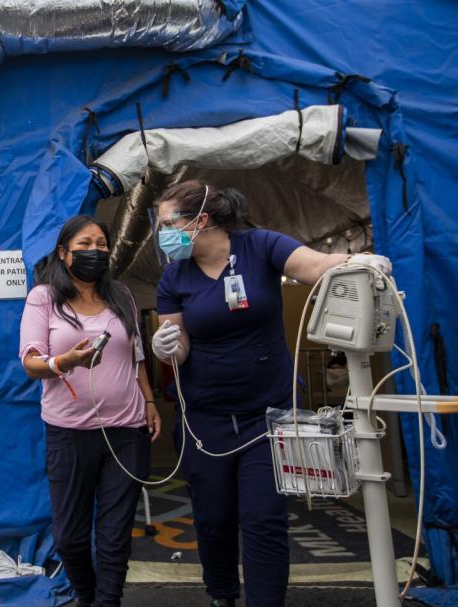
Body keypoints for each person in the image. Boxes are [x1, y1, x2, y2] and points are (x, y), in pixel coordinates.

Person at [149, 180, 392, 607]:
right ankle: (222, 595)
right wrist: (165, 347)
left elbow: (316, 265)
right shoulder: (174, 275)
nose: (161, 233)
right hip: (205, 419)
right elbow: (179, 344)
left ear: (200, 221)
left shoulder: (260, 246)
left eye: (167, 223)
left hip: (267, 414)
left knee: (264, 518)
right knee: (213, 519)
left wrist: (359, 260)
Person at [19, 215, 162, 607]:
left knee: (115, 535)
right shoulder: (44, 298)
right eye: (84, 244)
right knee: (70, 538)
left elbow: (136, 357)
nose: (95, 251)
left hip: (126, 430)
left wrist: (149, 401)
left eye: (101, 244)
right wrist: (64, 361)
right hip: (68, 434)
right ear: (64, 254)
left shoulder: (122, 297)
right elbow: (31, 362)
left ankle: (107, 601)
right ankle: (85, 594)